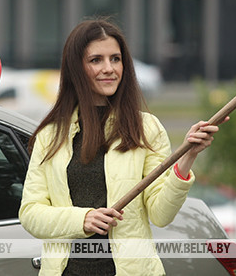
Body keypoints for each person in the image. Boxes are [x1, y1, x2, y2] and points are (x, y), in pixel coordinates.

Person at [19, 18, 222, 276]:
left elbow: (161, 214)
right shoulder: (51, 135)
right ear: (76, 68)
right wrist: (82, 219)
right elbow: (30, 213)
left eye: (115, 59)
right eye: (96, 60)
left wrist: (187, 159)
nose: (109, 68)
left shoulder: (146, 128)